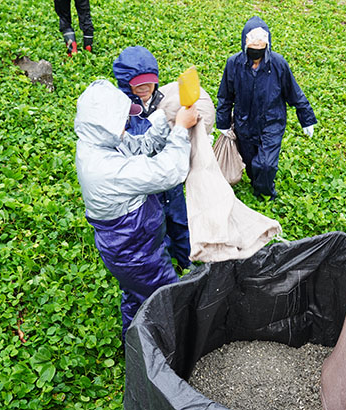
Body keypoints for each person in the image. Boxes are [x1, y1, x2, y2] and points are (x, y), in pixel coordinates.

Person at [74, 79, 199, 337]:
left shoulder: (99, 141)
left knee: (136, 295)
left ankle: (132, 340)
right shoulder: (104, 168)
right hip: (133, 248)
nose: (127, 126)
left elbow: (139, 147)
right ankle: (166, 350)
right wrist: (180, 131)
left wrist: (165, 120)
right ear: (104, 124)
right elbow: (168, 172)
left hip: (135, 243)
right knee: (164, 297)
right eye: (122, 122)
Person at [216, 16, 317, 200]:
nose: (256, 54)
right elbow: (225, 95)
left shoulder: (278, 64)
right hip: (244, 123)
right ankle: (257, 183)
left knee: (266, 164)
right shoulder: (234, 64)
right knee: (250, 161)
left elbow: (294, 93)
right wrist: (222, 122)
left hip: (272, 122)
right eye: (252, 49)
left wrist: (306, 118)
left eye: (260, 50)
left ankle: (265, 193)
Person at [113, 46, 192, 273]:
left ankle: (186, 259)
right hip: (146, 184)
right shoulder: (122, 112)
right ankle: (165, 269)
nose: (146, 88)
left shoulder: (163, 101)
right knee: (156, 229)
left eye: (150, 81)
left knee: (179, 220)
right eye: (138, 83)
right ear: (126, 83)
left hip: (170, 180)